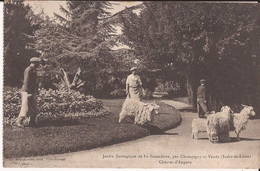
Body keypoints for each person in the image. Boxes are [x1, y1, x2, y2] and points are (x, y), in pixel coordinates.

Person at [15, 57, 41, 127]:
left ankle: (32, 122)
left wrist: (36, 91)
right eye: (38, 63)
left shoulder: (34, 70)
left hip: (32, 91)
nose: (39, 64)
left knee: (33, 107)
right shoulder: (28, 70)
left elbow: (35, 82)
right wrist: (28, 92)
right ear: (34, 63)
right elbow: (26, 82)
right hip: (26, 91)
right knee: (25, 108)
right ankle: (18, 122)